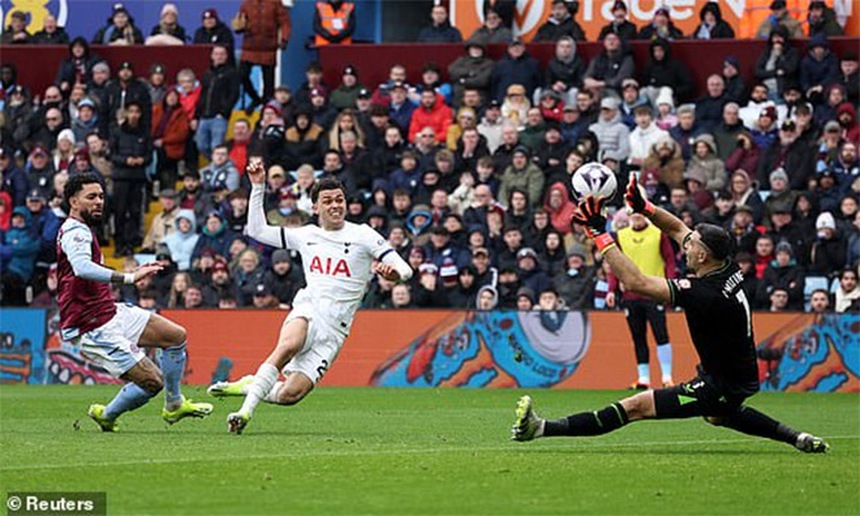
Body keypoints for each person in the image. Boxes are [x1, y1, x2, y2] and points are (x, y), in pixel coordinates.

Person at [511, 177, 830, 454]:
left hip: (719, 384)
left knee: (635, 407)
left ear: (702, 255)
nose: (684, 245)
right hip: (736, 377)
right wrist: (644, 207)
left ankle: (539, 429)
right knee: (720, 415)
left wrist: (600, 234)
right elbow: (677, 227)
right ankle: (798, 437)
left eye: (691, 245)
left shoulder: (705, 292)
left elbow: (636, 283)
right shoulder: (724, 265)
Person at [207, 160, 413, 434]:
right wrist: (258, 187)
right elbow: (257, 231)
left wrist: (394, 275)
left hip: (335, 329)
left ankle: (249, 384)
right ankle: (244, 412)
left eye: (339, 199)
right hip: (309, 308)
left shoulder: (363, 234)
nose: (335, 205)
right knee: (288, 346)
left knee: (289, 395)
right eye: (327, 201)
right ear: (315, 207)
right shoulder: (307, 235)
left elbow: (406, 270)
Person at [58, 174, 212, 431]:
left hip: (108, 312)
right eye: (91, 197)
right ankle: (107, 414)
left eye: (101, 196)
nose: (99, 202)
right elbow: (82, 267)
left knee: (175, 336)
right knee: (152, 382)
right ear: (73, 201)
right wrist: (130, 277)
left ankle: (174, 405)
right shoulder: (74, 232)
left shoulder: (83, 230)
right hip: (91, 326)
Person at [235, 0, 291, 112]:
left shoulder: (275, 2)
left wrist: (284, 39)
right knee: (242, 75)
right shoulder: (246, 3)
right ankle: (255, 99)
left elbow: (285, 22)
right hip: (249, 47)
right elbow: (240, 20)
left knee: (268, 83)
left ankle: (266, 109)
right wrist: (239, 26)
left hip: (268, 48)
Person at [194, 45, 240, 160]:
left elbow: (234, 94)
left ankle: (218, 167)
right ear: (212, 56)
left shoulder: (231, 73)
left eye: (222, 54)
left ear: (226, 56)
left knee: (217, 146)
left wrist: (223, 112)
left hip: (219, 117)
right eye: (216, 54)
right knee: (201, 145)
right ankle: (217, 164)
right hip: (204, 116)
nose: (219, 57)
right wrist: (196, 116)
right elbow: (202, 95)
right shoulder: (207, 73)